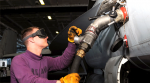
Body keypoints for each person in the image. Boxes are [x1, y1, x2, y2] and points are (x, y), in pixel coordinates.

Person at [10, 26, 82, 83]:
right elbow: (29, 81)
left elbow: (63, 62)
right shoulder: (18, 60)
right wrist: (61, 82)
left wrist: (72, 42)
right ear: (31, 39)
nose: (47, 37)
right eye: (42, 34)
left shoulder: (45, 60)